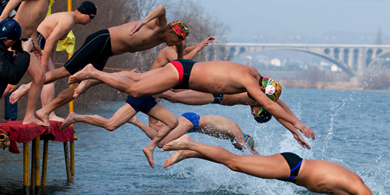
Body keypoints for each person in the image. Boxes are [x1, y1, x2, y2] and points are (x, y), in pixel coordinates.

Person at [10, 6, 188, 124]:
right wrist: (143, 22)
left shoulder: (175, 41)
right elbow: (161, 8)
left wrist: (180, 57)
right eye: (176, 39)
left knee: (82, 87)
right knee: (64, 71)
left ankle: (46, 111)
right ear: (170, 31)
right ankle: (26, 87)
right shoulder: (158, 26)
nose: (175, 43)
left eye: (179, 41)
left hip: (107, 51)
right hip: (102, 40)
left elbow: (179, 59)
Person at [162, 135, 390, 195]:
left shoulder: (348, 190)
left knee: (237, 167)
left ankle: (190, 152)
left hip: (291, 171)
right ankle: (190, 143)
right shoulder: (358, 188)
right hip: (292, 167)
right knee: (235, 162)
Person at [68, 60, 315, 142]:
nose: (255, 104)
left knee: (139, 82)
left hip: (186, 76)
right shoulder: (249, 83)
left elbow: (277, 104)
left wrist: (294, 128)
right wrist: (300, 125)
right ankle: (93, 73)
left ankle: (96, 79)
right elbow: (271, 105)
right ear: (261, 90)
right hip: (183, 74)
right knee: (136, 87)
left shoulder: (255, 76)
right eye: (258, 101)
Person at [0, 0, 74, 126]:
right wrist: (3, 17)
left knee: (40, 77)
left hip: (24, 42)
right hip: (13, 41)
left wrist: (36, 47)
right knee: (9, 84)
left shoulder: (46, 3)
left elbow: (32, 26)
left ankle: (29, 116)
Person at [154, 87, 313, 149]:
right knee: (173, 96)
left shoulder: (260, 100)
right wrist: (297, 128)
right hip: (213, 93)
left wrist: (294, 132)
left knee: (174, 93)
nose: (252, 112)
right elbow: (280, 112)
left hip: (213, 96)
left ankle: (145, 86)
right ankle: (143, 88)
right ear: (263, 107)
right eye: (256, 113)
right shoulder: (260, 97)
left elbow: (280, 114)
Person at [61, 95, 178, 168]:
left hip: (149, 100)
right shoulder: (171, 73)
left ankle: (147, 142)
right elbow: (172, 95)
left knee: (171, 122)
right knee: (110, 124)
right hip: (141, 98)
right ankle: (76, 117)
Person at [28, 1, 96, 121]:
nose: (91, 21)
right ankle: (48, 113)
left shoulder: (69, 19)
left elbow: (53, 43)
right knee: (46, 79)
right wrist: (44, 64)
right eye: (91, 17)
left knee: (50, 77)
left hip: (41, 41)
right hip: (37, 41)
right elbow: (49, 41)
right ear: (84, 13)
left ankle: (47, 112)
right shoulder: (68, 20)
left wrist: (51, 64)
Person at [129, 112, 259, 154]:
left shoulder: (233, 134)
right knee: (160, 142)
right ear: (245, 138)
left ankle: (148, 100)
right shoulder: (236, 131)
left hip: (192, 122)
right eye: (238, 147)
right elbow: (247, 149)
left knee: (155, 126)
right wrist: (259, 157)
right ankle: (135, 120)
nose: (236, 147)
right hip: (192, 122)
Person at [149, 35, 215, 69]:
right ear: (178, 41)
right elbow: (181, 62)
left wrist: (202, 44)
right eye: (186, 40)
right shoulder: (168, 50)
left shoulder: (175, 50)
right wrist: (197, 48)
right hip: (151, 83)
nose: (186, 42)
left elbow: (186, 51)